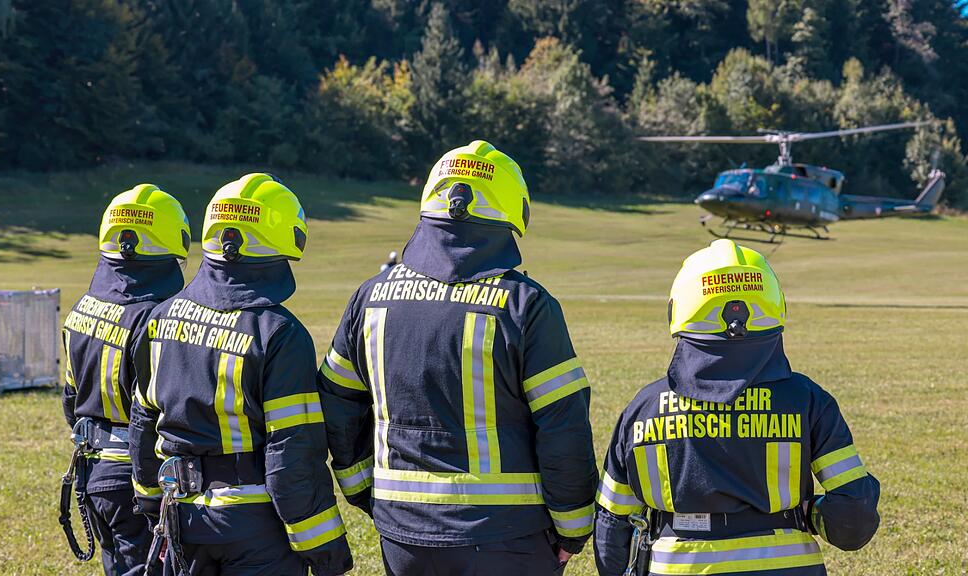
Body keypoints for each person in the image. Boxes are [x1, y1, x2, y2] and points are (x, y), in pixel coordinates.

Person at [317, 140, 598, 576]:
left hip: (402, 533)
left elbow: (336, 401)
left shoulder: (370, 297)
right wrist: (573, 528)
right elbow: (563, 424)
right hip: (507, 537)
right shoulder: (526, 305)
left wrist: (362, 490)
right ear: (511, 213)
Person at [593, 239, 880, 576]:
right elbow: (854, 517)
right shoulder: (808, 400)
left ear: (678, 311)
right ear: (775, 309)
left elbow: (612, 524)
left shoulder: (642, 409)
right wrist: (811, 514)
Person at [128, 173, 353, 576]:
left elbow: (143, 423)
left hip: (180, 516)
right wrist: (323, 545)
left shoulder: (159, 318)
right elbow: (291, 453)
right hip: (253, 526)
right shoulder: (279, 333)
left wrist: (149, 501)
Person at [60, 184, 190, 575]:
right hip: (136, 480)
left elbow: (70, 397)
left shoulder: (83, 305)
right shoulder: (154, 316)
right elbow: (158, 413)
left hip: (94, 470)